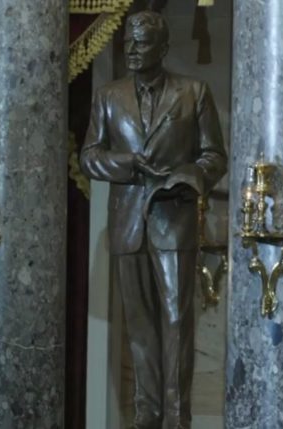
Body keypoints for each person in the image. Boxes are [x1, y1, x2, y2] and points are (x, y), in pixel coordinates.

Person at [80, 10, 227, 429]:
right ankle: (146, 417)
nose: (131, 48)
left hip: (173, 218)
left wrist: (191, 175)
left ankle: (178, 419)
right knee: (140, 328)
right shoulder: (108, 97)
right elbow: (89, 156)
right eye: (128, 40)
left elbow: (214, 154)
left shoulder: (193, 92)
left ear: (162, 48)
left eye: (141, 42)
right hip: (128, 223)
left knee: (177, 324)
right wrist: (128, 163)